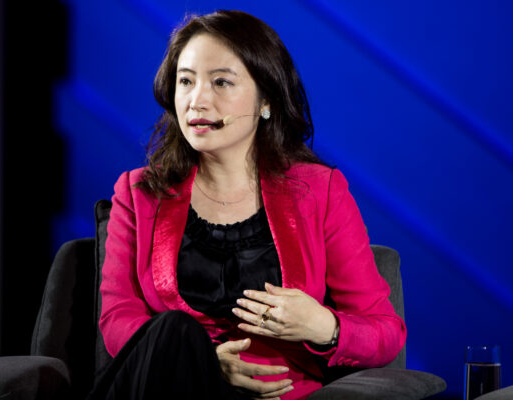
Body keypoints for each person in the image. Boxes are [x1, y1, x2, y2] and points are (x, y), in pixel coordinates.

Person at [91, 9, 406, 400]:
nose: (197, 100)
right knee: (175, 330)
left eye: (221, 82)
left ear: (266, 101)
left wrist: (323, 326)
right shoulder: (138, 193)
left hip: (278, 395)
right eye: (185, 81)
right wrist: (204, 360)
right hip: (166, 385)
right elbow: (117, 318)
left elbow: (385, 333)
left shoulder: (320, 190)